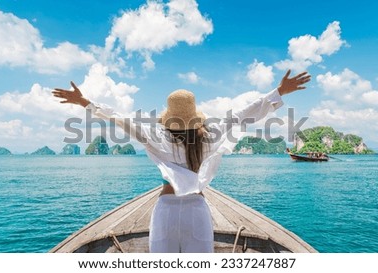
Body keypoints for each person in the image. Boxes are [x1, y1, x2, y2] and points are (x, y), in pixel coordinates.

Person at [52, 69, 311, 253]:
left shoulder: (156, 135)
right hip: (197, 210)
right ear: (195, 115)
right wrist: (278, 92)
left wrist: (84, 101)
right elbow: (243, 115)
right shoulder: (210, 135)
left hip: (165, 209)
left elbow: (119, 117)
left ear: (169, 116)